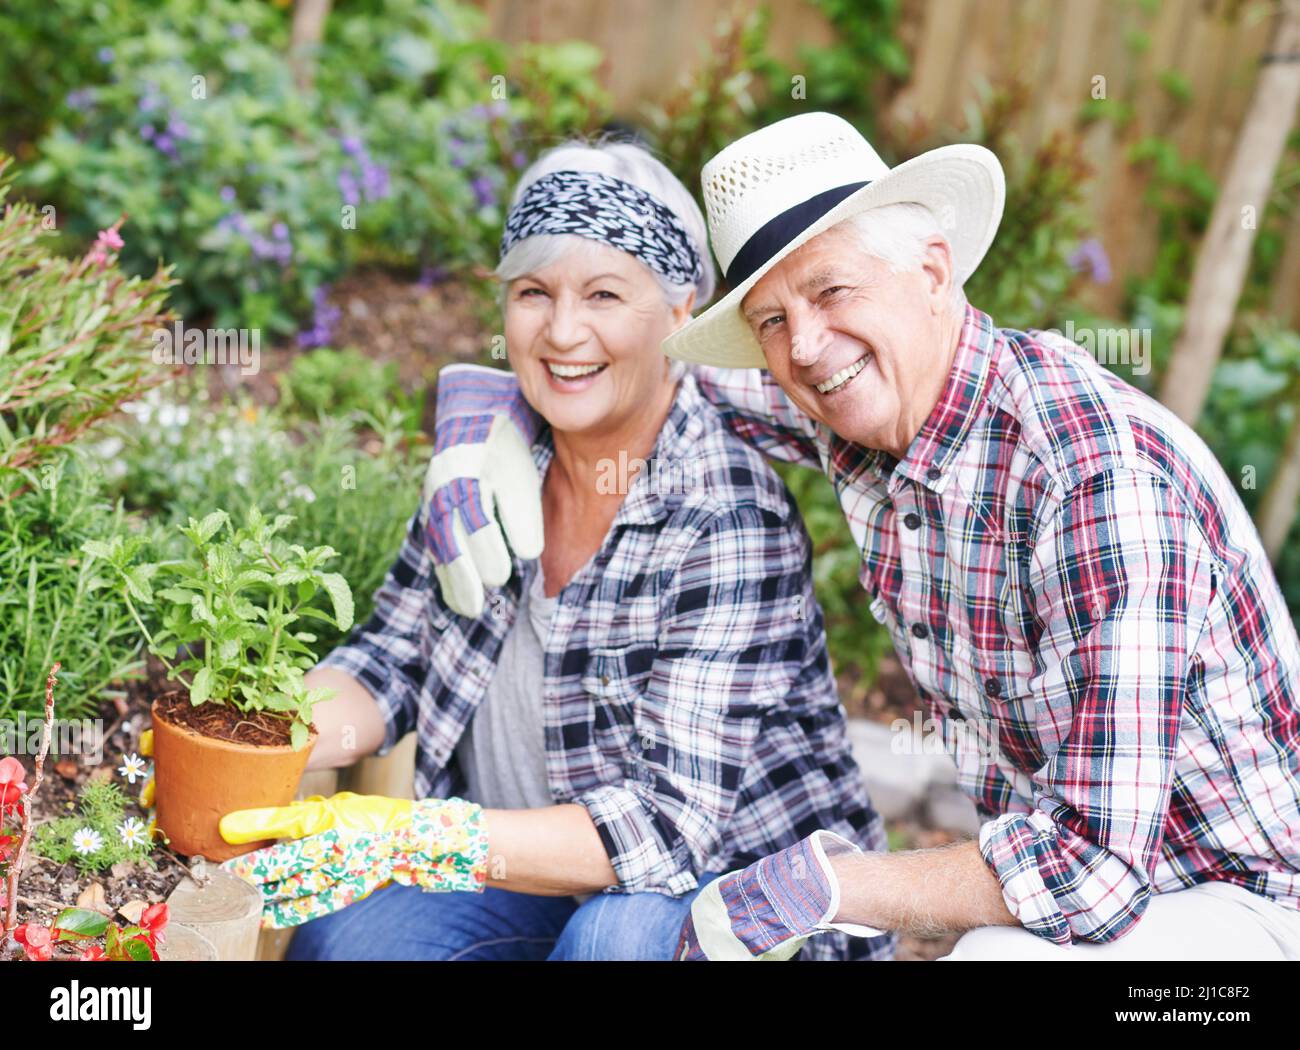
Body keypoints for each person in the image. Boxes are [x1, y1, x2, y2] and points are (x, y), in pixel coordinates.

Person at [427, 113, 1300, 961]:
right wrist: (483, 408)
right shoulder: (864, 407)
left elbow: (1090, 871)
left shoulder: (1093, 482)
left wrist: (822, 886)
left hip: (1242, 902)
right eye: (770, 320)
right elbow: (637, 379)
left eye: (832, 290)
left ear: (932, 272)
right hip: (1096, 892)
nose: (806, 346)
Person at [227, 138, 891, 962]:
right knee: (353, 942)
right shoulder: (487, 463)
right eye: (533, 293)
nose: (564, 331)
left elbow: (665, 829)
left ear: (679, 312)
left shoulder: (725, 516)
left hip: (738, 908)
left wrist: (411, 834)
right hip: (540, 880)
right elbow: (390, 659)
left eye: (605, 293)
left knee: (614, 941)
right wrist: (256, 736)